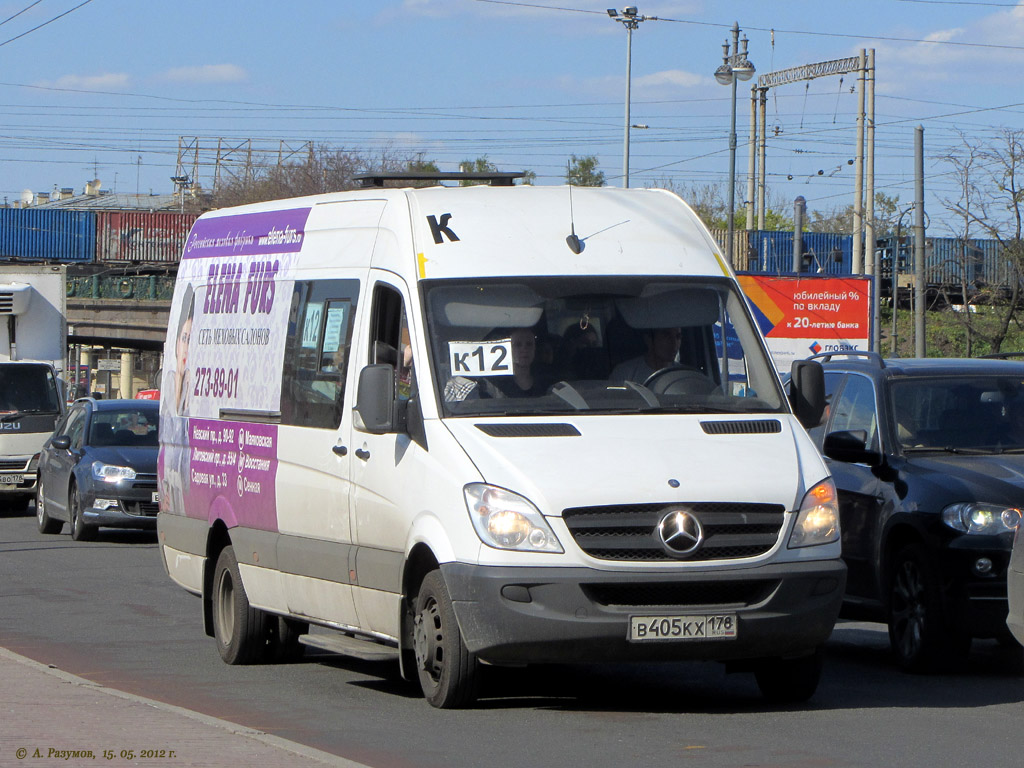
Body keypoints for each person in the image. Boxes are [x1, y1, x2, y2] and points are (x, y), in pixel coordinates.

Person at [491, 327, 551, 397]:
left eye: (529, 344)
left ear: (535, 348)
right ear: (508, 349)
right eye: (518, 345)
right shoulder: (497, 387)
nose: (524, 349)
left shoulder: (547, 385)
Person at [610, 326, 682, 384]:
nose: (674, 343)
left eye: (678, 337)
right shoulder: (624, 373)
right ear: (648, 340)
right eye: (666, 336)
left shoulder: (684, 375)